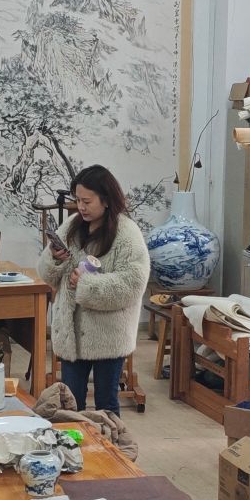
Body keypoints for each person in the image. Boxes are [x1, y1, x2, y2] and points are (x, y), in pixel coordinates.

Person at [37, 165, 149, 416]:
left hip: (108, 336)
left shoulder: (127, 233)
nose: (81, 207)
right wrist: (54, 258)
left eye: (87, 201)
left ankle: (111, 443)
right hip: (71, 335)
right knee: (70, 404)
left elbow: (133, 283)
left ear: (106, 200)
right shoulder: (71, 226)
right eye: (78, 200)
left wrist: (86, 284)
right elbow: (47, 275)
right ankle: (75, 443)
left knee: (106, 405)